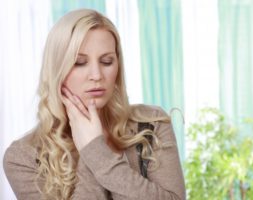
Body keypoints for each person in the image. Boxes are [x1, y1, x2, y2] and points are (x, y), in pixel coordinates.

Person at [3, 9, 185, 200]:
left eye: (107, 61)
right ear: (57, 69)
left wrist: (96, 151)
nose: (97, 75)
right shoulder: (23, 157)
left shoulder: (151, 124)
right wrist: (91, 152)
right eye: (80, 62)